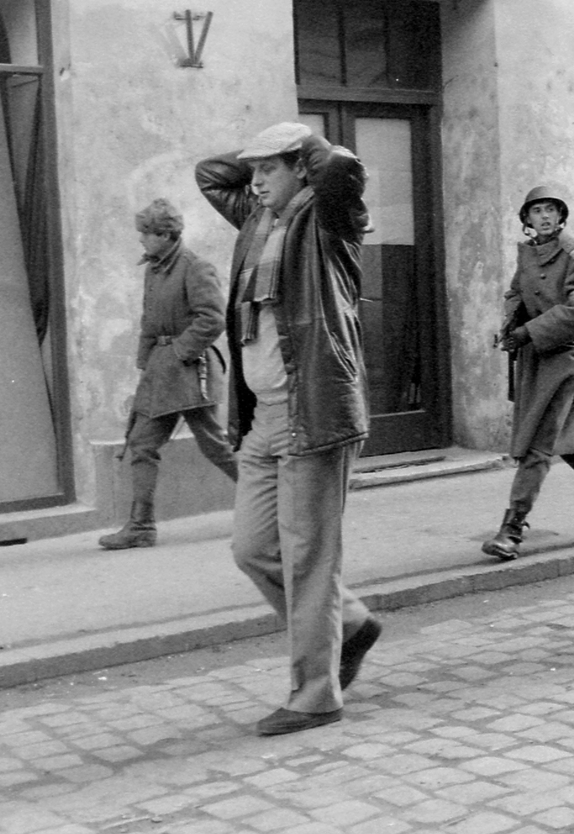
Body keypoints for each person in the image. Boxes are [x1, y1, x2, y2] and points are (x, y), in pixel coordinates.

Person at [196, 122, 382, 737]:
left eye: (268, 170)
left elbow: (341, 169)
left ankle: (315, 694)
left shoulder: (329, 222)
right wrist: (263, 151)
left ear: (302, 167)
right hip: (263, 422)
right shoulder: (258, 220)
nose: (253, 182)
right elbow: (209, 173)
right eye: (253, 172)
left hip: (314, 415)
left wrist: (302, 146)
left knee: (308, 561)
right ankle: (349, 623)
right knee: (252, 549)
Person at [482, 185, 574, 560]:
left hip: (562, 358)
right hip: (534, 358)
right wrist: (510, 323)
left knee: (537, 444)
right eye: (537, 211)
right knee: (569, 443)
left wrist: (529, 332)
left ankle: (512, 529)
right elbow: (516, 291)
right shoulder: (529, 253)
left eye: (551, 210)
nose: (545, 217)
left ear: (561, 216)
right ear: (527, 220)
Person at [100, 199, 240, 550]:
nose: (141, 241)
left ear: (166, 234)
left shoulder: (195, 267)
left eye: (146, 234)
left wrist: (179, 353)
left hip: (193, 371)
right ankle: (141, 527)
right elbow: (150, 321)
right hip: (162, 371)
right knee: (143, 444)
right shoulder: (154, 268)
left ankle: (274, 503)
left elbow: (212, 319)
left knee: (215, 446)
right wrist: (146, 363)